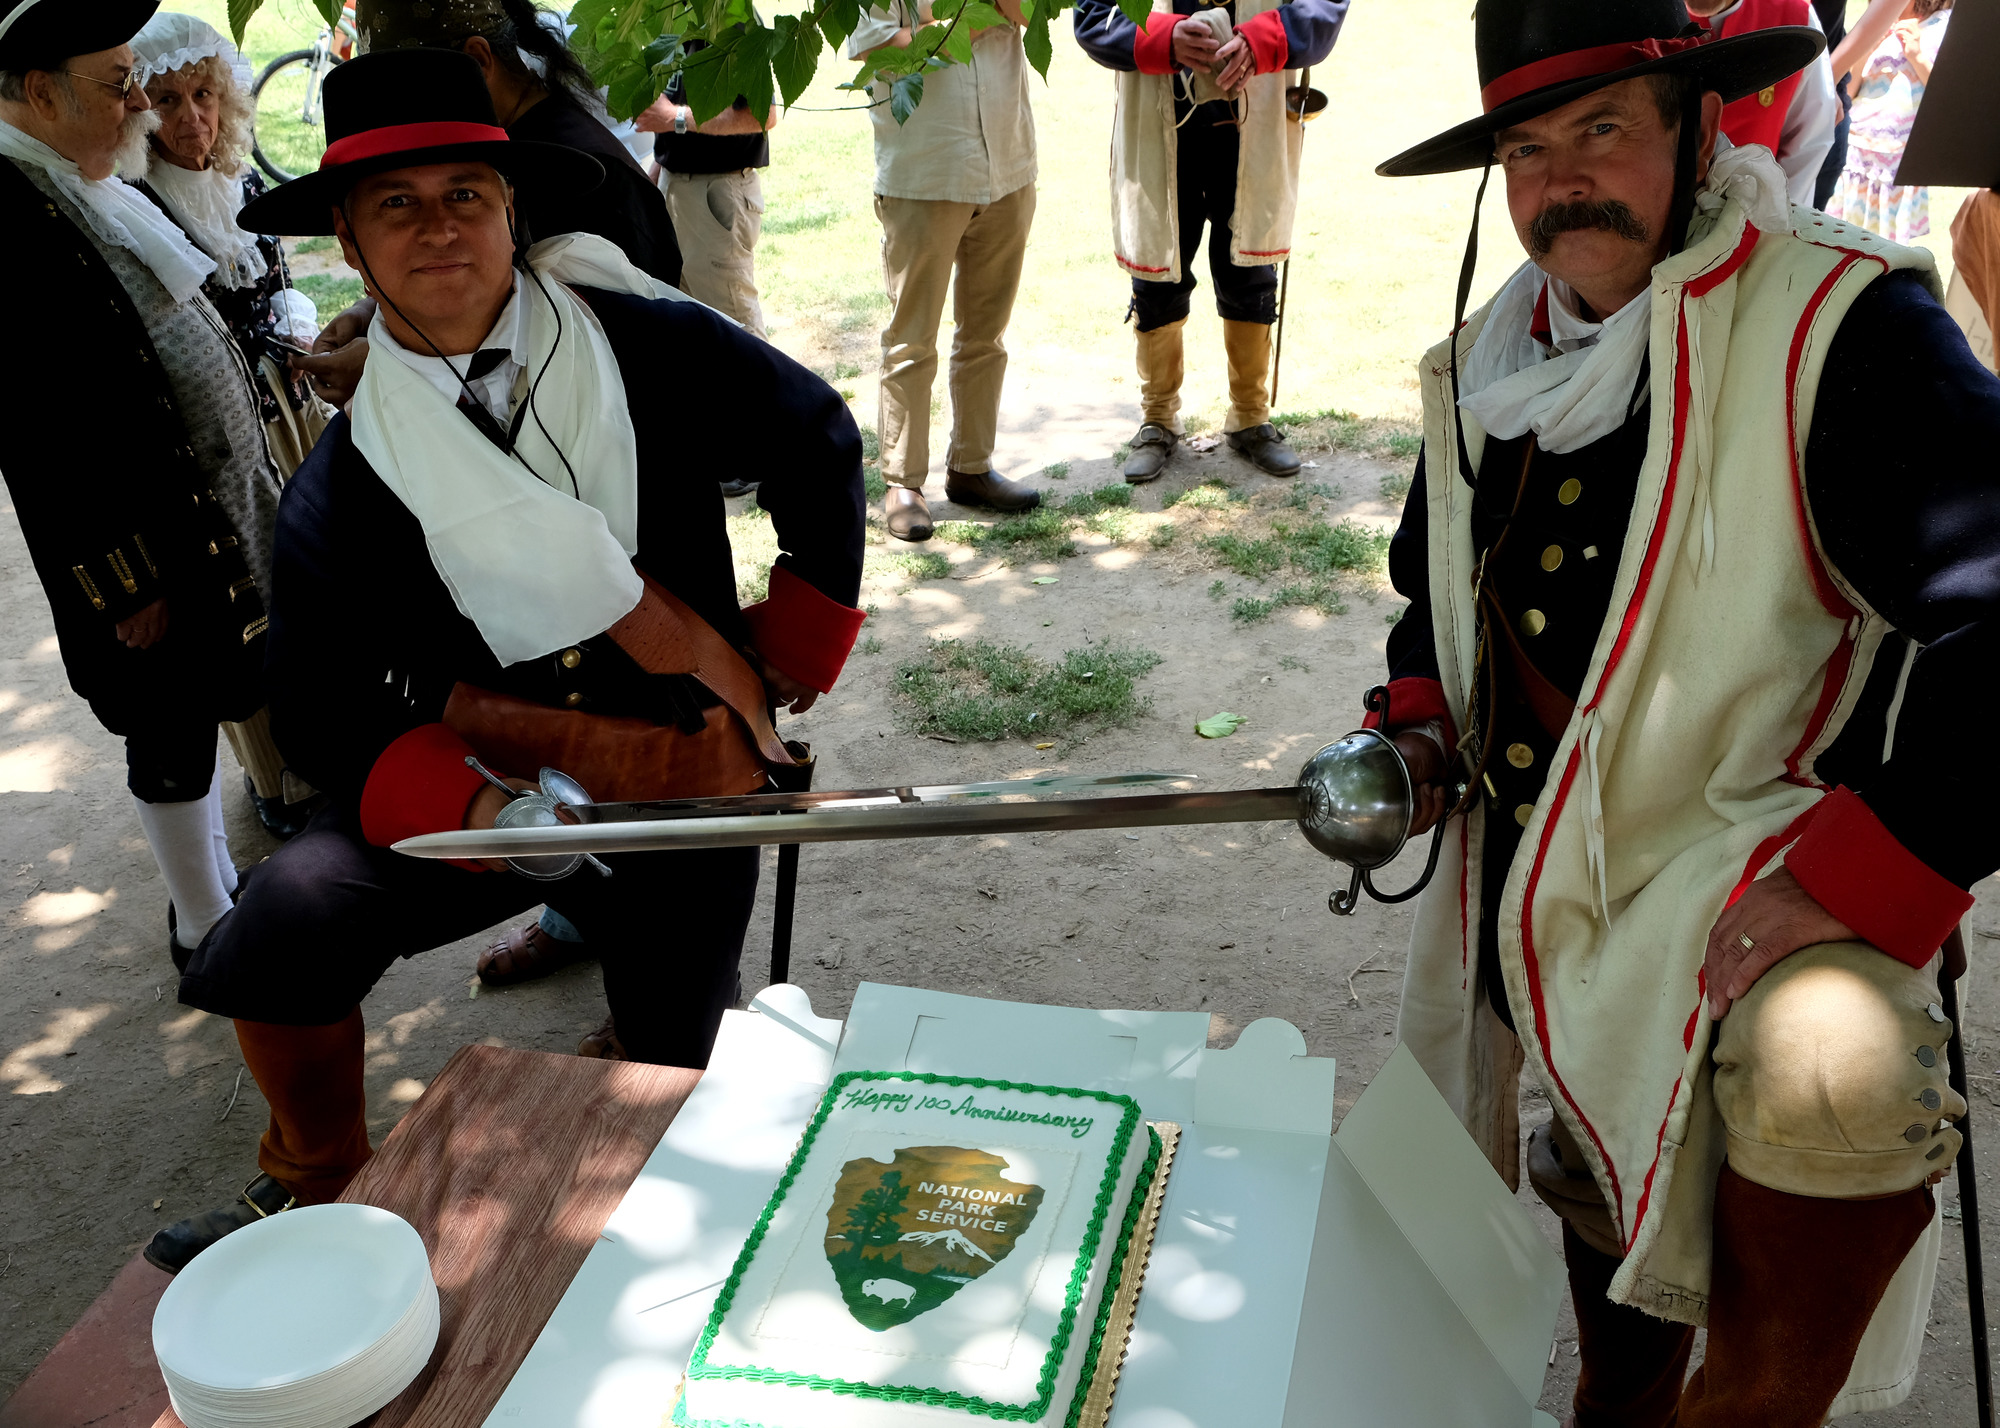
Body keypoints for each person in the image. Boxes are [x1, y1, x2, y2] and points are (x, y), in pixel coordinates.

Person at [1371, 0, 2000, 1421]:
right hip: (1557, 882)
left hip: (1768, 863)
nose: (1560, 184)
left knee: (1834, 1071)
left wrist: (1873, 868)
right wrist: (1413, 722)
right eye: (1526, 149)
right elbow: (1434, 595)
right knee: (1603, 1193)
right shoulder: (1497, 358)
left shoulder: (1840, 328)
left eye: (1603, 130)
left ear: (1701, 129)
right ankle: (1625, 1386)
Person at [144, 47, 866, 1273]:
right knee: (285, 922)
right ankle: (312, 1183)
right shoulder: (347, 481)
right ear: (349, 241)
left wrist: (787, 649)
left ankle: (630, 980)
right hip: (494, 780)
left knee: (664, 1095)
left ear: (511, 207)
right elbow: (319, 710)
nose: (437, 229)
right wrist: (490, 809)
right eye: (396, 206)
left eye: (463, 194)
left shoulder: (642, 342)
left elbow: (816, 439)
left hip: (684, 770)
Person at [0, 0, 277, 962]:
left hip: (192, 493)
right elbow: (39, 429)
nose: (140, 107)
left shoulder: (87, 174)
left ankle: (215, 883)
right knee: (168, 718)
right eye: (118, 84)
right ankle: (203, 921)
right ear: (39, 92)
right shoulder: (8, 213)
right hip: (139, 537)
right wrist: (124, 579)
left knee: (196, 699)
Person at [128, 11, 332, 840]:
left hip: (288, 416)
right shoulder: (136, 203)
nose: (191, 121)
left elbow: (273, 270)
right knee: (250, 600)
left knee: (318, 581)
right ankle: (281, 779)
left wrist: (292, 313)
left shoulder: (238, 178)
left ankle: (341, 745)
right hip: (218, 441)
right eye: (167, 101)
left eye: (204, 95)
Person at [298, 0, 686, 406]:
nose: (440, 228)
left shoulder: (579, 185)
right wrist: (373, 313)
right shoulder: (499, 150)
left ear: (478, 59)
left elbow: (608, 359)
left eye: (416, 84)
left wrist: (397, 371)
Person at [1074, 0, 1348, 484]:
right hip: (1159, 119)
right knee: (1158, 274)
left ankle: (1250, 416)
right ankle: (1158, 418)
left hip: (1254, 117)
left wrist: (1263, 40)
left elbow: (1324, 5)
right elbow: (1094, 16)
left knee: (1251, 271)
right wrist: (1166, 39)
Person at [849, 0, 1043, 543]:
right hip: (925, 168)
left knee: (987, 334)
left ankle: (972, 467)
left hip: (1008, 164)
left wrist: (944, 19)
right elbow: (876, 44)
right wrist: (968, 17)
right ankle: (903, 484)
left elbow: (1029, 12)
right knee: (912, 338)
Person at [638, 48, 779, 503]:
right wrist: (659, 172)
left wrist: (676, 119)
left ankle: (767, 449)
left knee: (734, 317)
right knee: (690, 318)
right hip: (681, 188)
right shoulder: (679, 25)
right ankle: (724, 448)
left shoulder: (731, 26)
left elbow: (765, 114)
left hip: (717, 189)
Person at [1683, 0, 1838, 206]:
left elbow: (1808, 144)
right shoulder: (1635, 13)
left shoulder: (1795, 19)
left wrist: (1776, 226)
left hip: (1752, 223)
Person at [1828, 0, 1953, 241]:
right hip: (1855, 158)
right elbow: (1849, 93)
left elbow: (1946, 100)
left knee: (1887, 250)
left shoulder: (1940, 28)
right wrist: (1865, 51)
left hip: (1896, 166)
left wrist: (1917, 55)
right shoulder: (1873, 26)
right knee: (1841, 240)